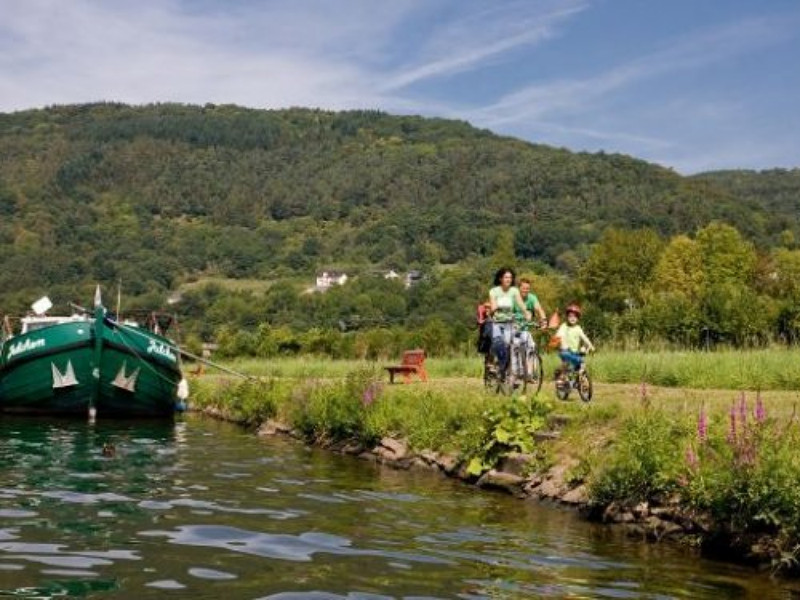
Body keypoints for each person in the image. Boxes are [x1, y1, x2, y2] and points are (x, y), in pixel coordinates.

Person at [489, 268, 531, 379]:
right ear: (500, 278)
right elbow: (492, 306)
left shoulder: (514, 291)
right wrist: (496, 307)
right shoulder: (494, 291)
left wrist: (526, 312)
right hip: (497, 322)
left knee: (509, 345)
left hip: (509, 322)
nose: (509, 279)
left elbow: (520, 303)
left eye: (510, 277)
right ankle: (493, 364)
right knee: (499, 344)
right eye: (506, 277)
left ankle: (509, 373)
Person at [554, 303, 595, 373]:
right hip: (566, 351)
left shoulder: (578, 328)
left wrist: (591, 346)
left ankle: (582, 379)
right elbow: (559, 334)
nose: (572, 318)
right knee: (567, 367)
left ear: (578, 318)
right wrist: (557, 340)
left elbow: (584, 338)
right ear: (567, 317)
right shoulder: (564, 326)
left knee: (579, 366)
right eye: (570, 316)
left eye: (575, 316)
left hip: (575, 352)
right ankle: (560, 378)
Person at [514, 278, 548, 350]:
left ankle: (531, 360)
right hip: (513, 328)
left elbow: (539, 309)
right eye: (523, 288)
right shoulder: (513, 298)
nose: (525, 290)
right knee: (511, 345)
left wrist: (544, 321)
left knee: (531, 346)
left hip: (524, 329)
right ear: (519, 288)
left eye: (527, 288)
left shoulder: (532, 298)